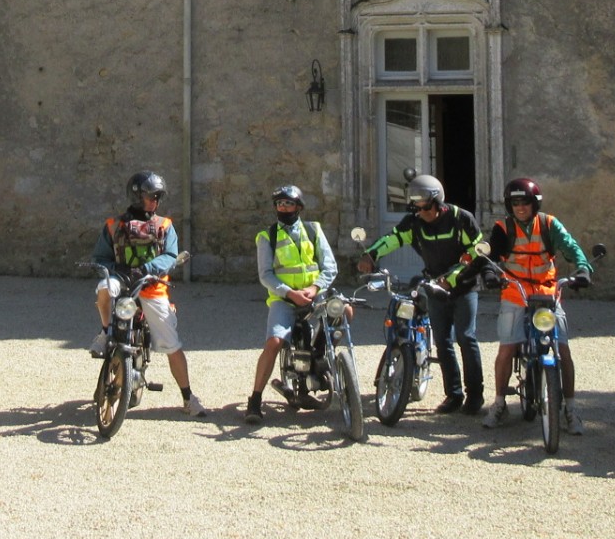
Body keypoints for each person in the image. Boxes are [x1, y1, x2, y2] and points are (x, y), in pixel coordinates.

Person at [358, 173, 483, 413]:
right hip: (435, 286)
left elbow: (476, 253)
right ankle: (453, 395)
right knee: (442, 340)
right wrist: (371, 254)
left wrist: (452, 278)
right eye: (418, 209)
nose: (422, 214)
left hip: (464, 286)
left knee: (466, 338)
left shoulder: (461, 219)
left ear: (438, 202)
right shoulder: (414, 222)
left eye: (426, 209)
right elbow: (393, 238)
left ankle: (475, 396)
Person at [91, 170, 208, 418]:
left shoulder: (165, 226)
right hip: (121, 282)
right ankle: (105, 331)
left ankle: (188, 397)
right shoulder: (114, 226)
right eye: (151, 196)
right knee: (103, 288)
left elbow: (169, 256)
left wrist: (146, 269)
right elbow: (100, 257)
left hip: (152, 286)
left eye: (158, 197)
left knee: (170, 342)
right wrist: (115, 269)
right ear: (136, 196)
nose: (155, 201)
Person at [483, 176, 594, 431]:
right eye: (515, 203)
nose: (520, 207)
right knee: (506, 349)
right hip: (515, 291)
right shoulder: (503, 227)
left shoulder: (549, 225)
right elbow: (490, 250)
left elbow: (570, 246)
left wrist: (582, 268)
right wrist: (489, 272)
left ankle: (570, 407)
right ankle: (499, 402)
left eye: (525, 202)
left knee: (563, 351)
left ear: (535, 204)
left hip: (547, 292)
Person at [242, 185, 336, 424]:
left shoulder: (313, 230)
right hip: (284, 300)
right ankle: (255, 400)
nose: (283, 208)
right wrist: (290, 293)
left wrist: (315, 288)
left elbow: (330, 266)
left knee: (345, 312)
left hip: (314, 295)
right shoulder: (267, 236)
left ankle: (319, 356)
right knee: (273, 343)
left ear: (299, 206)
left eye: (288, 204)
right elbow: (266, 275)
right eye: (279, 204)